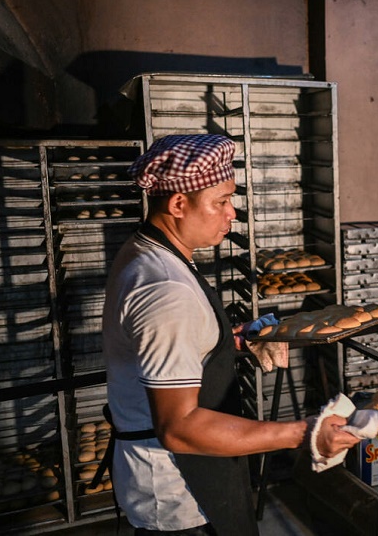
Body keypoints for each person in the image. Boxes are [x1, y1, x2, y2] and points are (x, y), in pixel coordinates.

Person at [102, 134, 359, 536]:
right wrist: (304, 433)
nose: (232, 213)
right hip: (181, 491)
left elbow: (166, 346)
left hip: (190, 472)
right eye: (221, 201)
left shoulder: (147, 251)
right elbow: (180, 426)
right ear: (178, 204)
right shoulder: (165, 290)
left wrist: (231, 340)